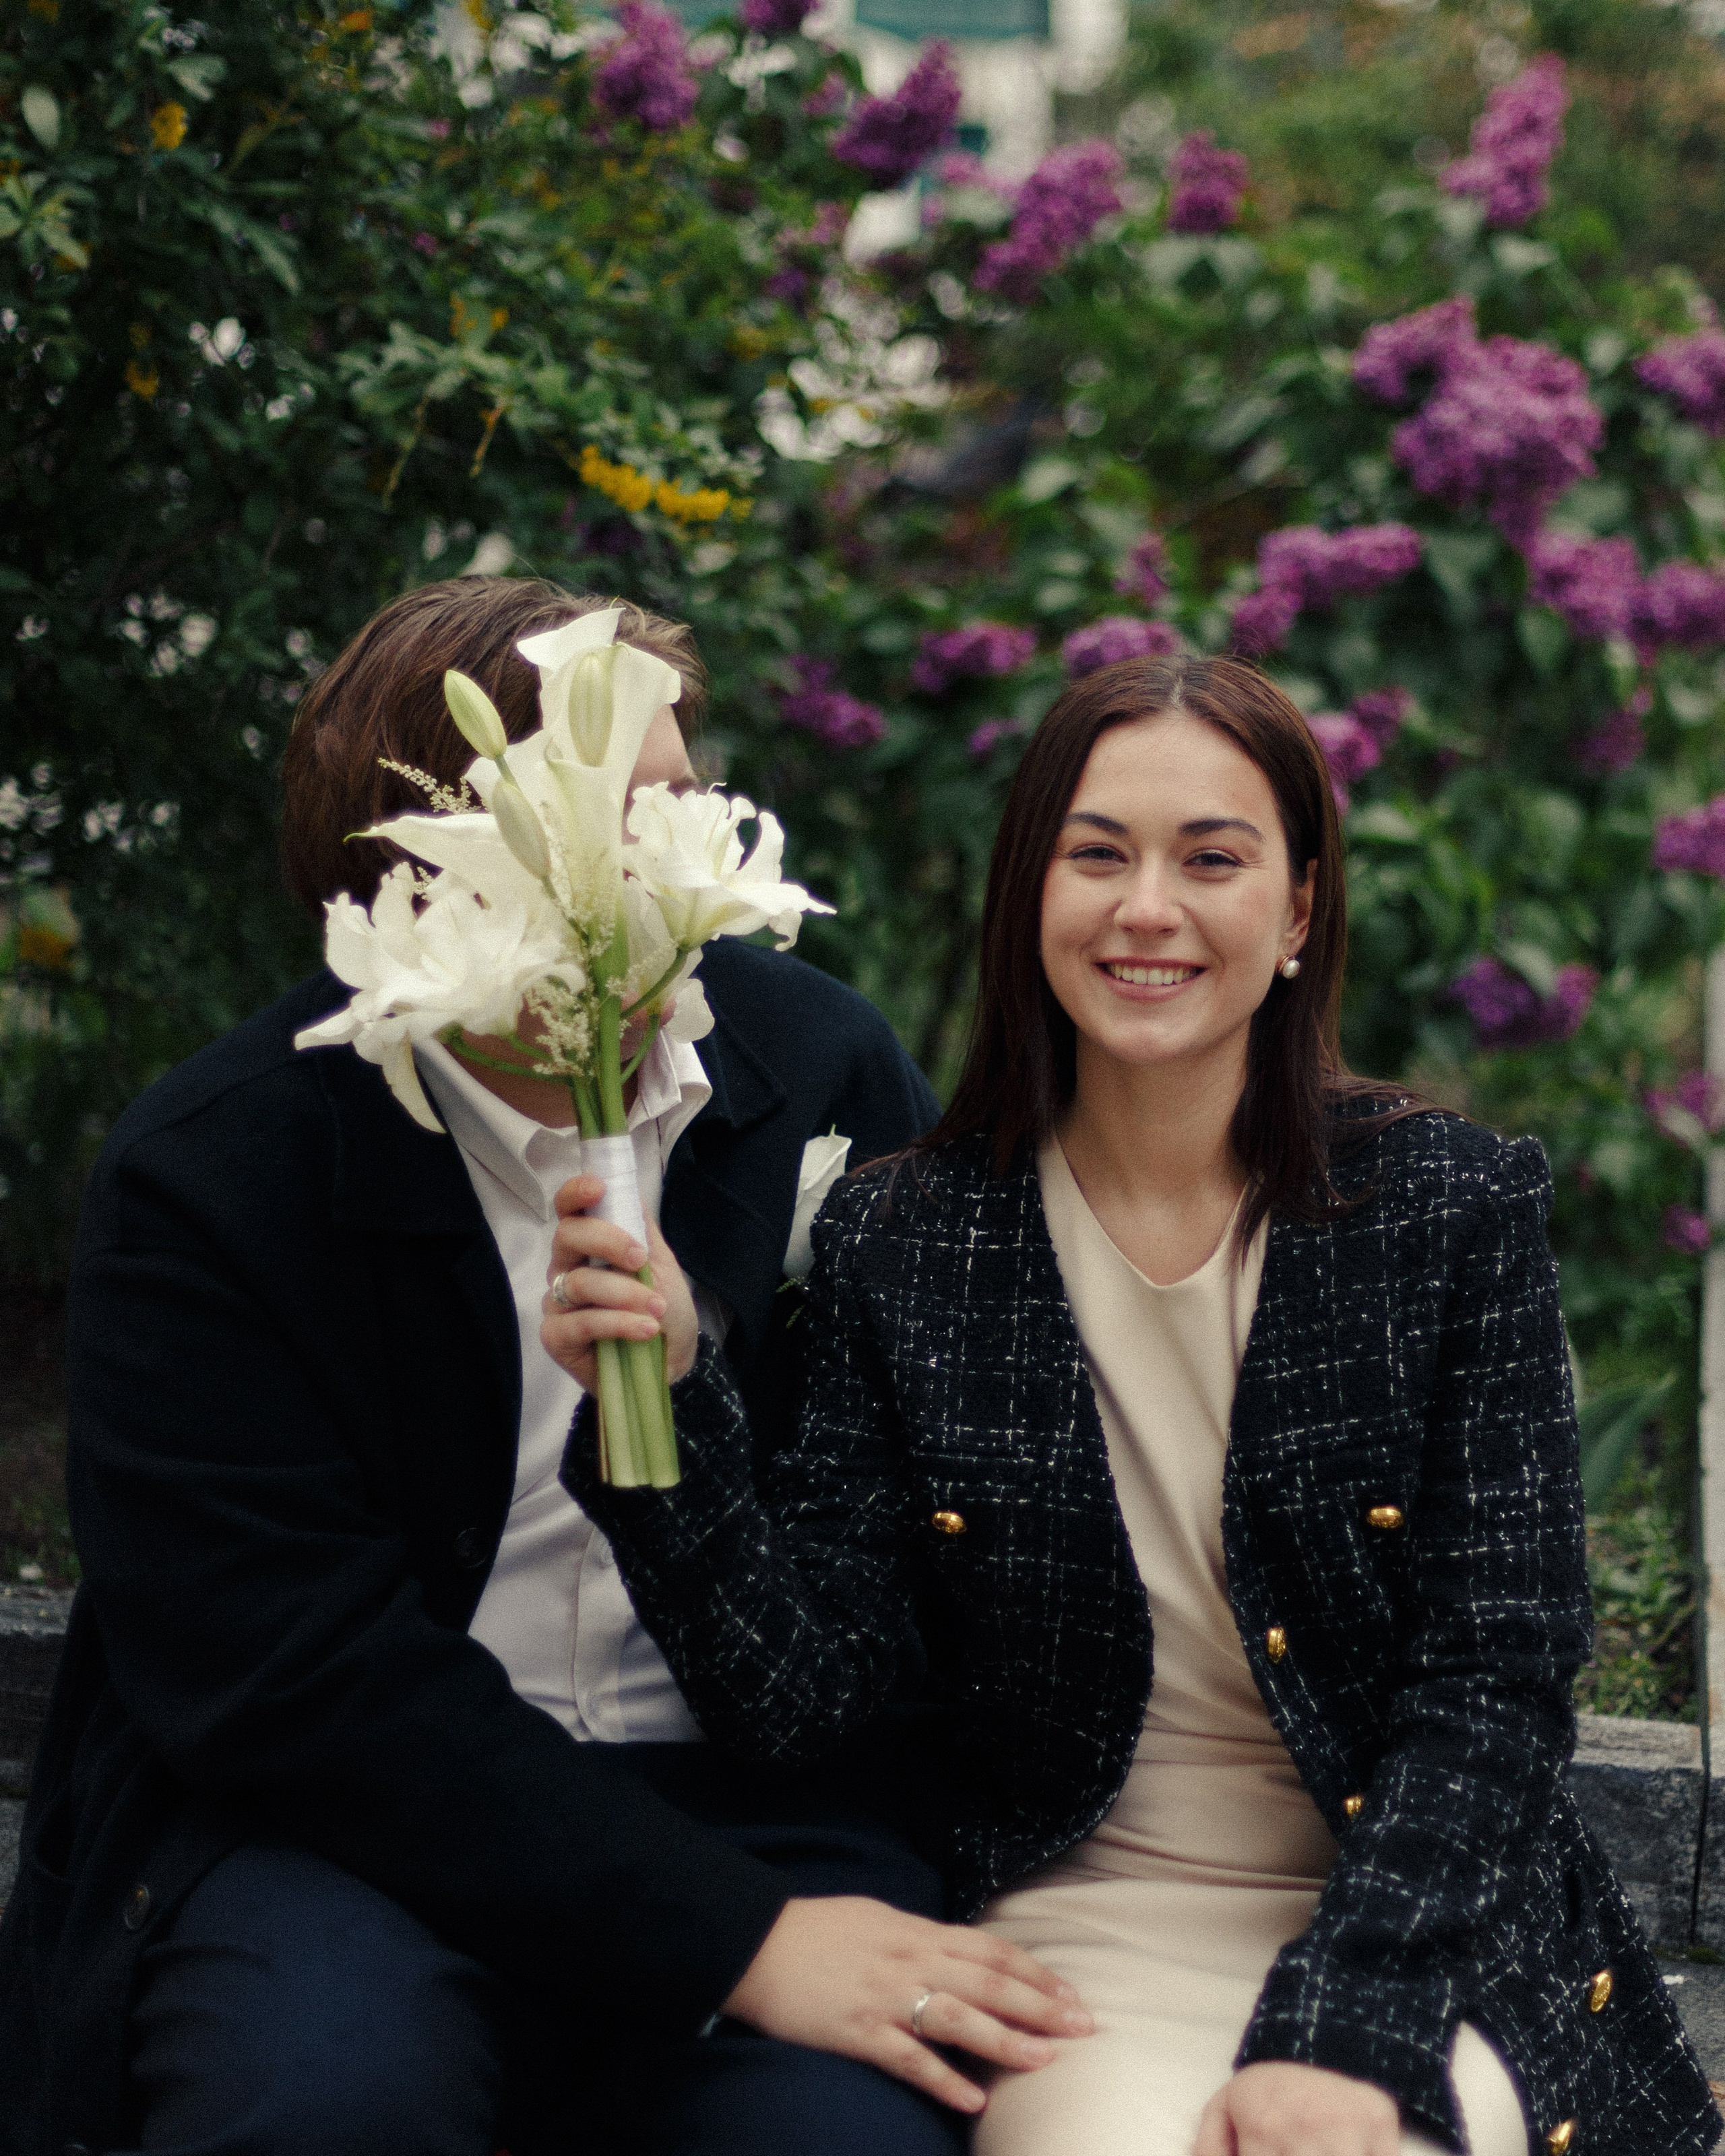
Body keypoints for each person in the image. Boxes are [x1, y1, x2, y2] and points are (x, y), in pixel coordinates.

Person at [549, 655, 1720, 2156]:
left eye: (1210, 858)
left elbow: (1493, 1684)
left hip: (1413, 1933)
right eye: (1094, 854)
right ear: (1028, 895)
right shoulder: (907, 1243)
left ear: (1296, 912)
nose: (1144, 909)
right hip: (1076, 1934)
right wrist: (671, 1401)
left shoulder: (1440, 1210)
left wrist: (1339, 2038)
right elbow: (807, 1694)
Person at [0, 576, 1086, 2156]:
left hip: (764, 1794)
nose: (685, 840)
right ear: (441, 858)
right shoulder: (217, 1167)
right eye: (631, 810)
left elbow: (914, 1521)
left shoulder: (818, 1072)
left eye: (686, 795)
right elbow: (288, 1676)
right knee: (324, 2108)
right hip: (350, 1829)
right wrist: (732, 1942)